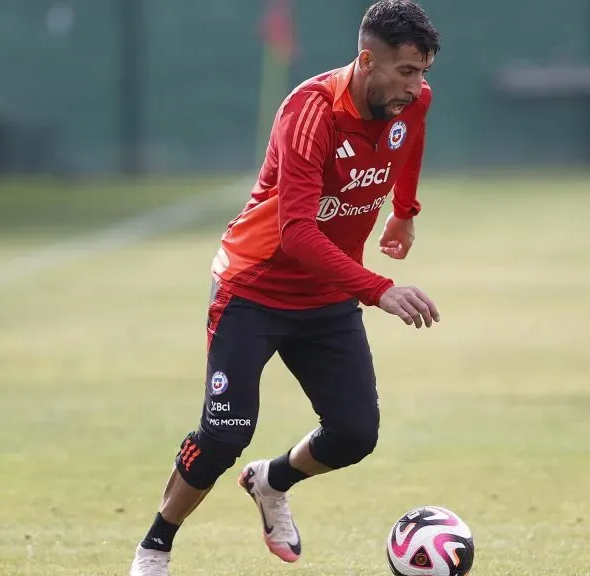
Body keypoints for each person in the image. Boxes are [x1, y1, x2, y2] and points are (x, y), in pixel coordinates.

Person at [130, 1, 441, 574]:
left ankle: (272, 481)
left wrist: (404, 210)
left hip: (326, 296)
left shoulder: (411, 101)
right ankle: (156, 544)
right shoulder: (311, 111)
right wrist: (379, 289)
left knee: (354, 433)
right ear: (367, 60)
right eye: (406, 72)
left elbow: (410, 138)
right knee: (224, 433)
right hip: (255, 287)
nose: (417, 86)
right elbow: (296, 233)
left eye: (423, 73)